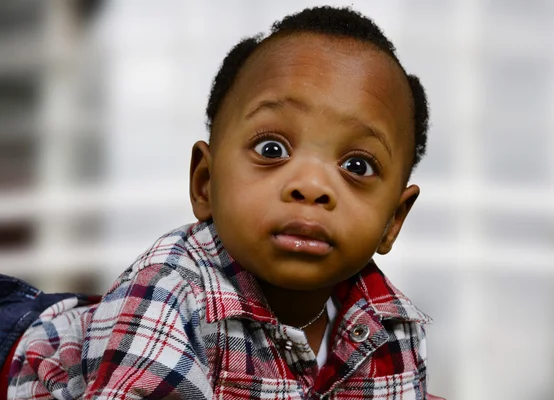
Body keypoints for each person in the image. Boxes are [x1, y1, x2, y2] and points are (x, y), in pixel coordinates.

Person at [2, 6, 444, 399]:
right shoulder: (172, 289)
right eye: (272, 149)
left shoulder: (390, 326)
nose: (311, 186)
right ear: (205, 182)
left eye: (357, 166)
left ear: (393, 220)